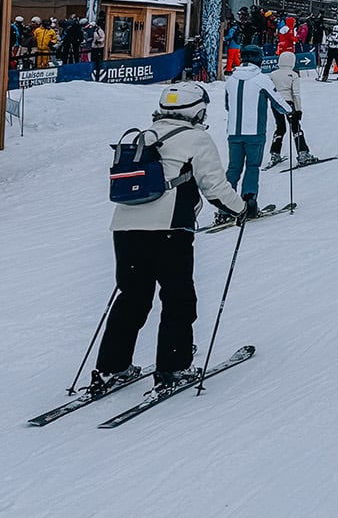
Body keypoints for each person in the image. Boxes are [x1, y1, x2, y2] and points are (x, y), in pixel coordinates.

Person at [91, 83, 248, 392]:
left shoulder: (145, 136)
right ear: (197, 110)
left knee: (131, 299)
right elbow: (214, 187)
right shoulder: (197, 139)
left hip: (125, 228)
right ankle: (173, 368)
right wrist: (240, 209)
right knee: (178, 299)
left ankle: (111, 368)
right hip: (169, 231)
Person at [222, 61, 290, 220]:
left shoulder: (231, 80)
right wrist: (290, 111)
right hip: (255, 131)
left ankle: (225, 208)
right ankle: (248, 203)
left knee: (234, 168)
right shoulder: (261, 79)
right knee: (252, 166)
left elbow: (227, 106)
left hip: (234, 131)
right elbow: (278, 101)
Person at [267, 45, 310, 168]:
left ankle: (275, 153)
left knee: (280, 128)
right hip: (289, 103)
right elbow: (296, 94)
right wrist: (298, 109)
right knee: (296, 127)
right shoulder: (293, 75)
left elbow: (270, 90)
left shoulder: (273, 74)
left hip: (276, 103)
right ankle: (302, 153)